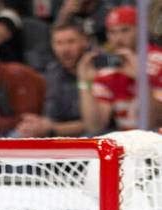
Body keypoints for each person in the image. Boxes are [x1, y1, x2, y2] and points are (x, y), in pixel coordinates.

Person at [78, 5, 162, 134]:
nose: (118, 38)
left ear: (140, 30)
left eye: (125, 30)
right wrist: (84, 84)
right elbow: (94, 127)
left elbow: (153, 122)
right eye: (112, 32)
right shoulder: (108, 69)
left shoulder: (158, 61)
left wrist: (142, 80)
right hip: (127, 143)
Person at [16, 18, 87, 138]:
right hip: (58, 138)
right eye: (59, 43)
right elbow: (50, 116)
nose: (65, 50)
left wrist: (52, 128)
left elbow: (97, 125)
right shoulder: (53, 72)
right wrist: (36, 124)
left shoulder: (100, 69)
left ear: (85, 41)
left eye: (71, 42)